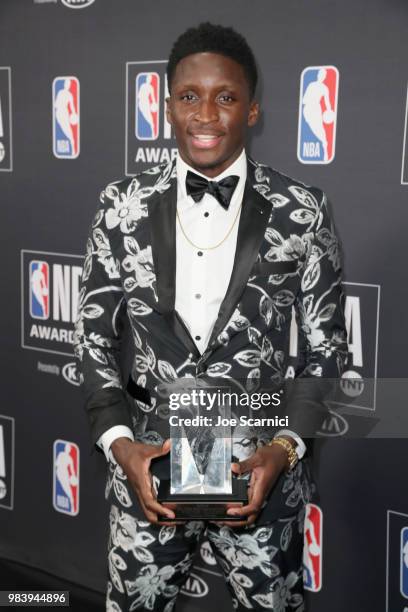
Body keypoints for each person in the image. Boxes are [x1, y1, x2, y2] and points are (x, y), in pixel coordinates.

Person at [74, 22, 348, 612]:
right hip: (150, 460)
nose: (205, 114)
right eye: (189, 96)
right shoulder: (119, 208)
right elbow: (93, 338)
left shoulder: (303, 211)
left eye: (225, 97)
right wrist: (123, 448)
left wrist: (285, 449)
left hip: (259, 463)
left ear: (251, 110)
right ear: (167, 106)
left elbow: (326, 350)